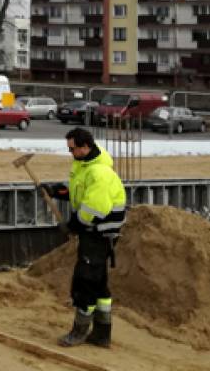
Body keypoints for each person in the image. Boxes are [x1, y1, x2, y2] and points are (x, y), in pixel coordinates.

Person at [41, 127, 127, 349]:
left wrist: (73, 226)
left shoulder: (100, 173)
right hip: (94, 232)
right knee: (99, 285)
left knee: (84, 282)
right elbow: (78, 191)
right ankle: (102, 334)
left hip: (99, 233)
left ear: (85, 146)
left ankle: (79, 332)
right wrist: (57, 191)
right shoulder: (83, 165)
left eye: (72, 149)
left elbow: (93, 209)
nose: (70, 153)